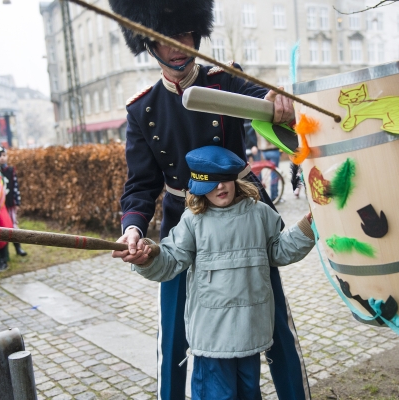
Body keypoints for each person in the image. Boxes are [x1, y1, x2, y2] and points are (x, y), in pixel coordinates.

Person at [108, 1, 309, 399]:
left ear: (197, 33)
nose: (178, 46)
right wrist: (132, 229)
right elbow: (141, 184)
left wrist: (278, 99)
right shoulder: (141, 109)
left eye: (185, 34)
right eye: (166, 38)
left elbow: (266, 100)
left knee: (276, 326)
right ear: (148, 43)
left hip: (245, 222)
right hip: (183, 229)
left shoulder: (225, 82)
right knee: (174, 336)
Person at [130, 146, 315, 399]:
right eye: (212, 183)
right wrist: (148, 257)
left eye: (225, 179)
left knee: (250, 393)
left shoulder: (260, 213)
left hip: (251, 334)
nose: (220, 187)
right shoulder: (193, 221)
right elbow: (171, 261)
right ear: (198, 186)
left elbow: (279, 251)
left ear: (235, 179)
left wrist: (308, 226)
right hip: (212, 341)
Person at [0, 146, 27, 257]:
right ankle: (3, 253)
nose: (2, 158)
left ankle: (18, 247)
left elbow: (15, 186)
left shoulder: (10, 170)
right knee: (2, 228)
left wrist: (17, 201)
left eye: (4, 155)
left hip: (10, 203)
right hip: (0, 205)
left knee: (13, 225)